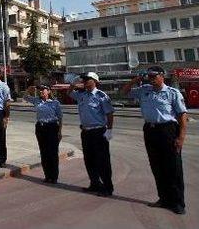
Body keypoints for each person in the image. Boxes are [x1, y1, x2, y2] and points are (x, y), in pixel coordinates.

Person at [122, 66, 188, 215]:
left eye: (154, 76)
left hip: (168, 131)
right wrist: (136, 79)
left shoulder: (172, 93)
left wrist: (181, 138)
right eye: (149, 77)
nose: (151, 79)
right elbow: (124, 91)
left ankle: (178, 202)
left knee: (173, 168)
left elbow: (182, 116)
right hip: (150, 130)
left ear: (162, 76)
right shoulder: (144, 89)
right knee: (156, 166)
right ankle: (163, 199)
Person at [70, 72, 114, 197]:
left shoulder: (101, 96)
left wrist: (109, 130)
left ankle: (107, 187)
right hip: (86, 132)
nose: (84, 82)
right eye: (84, 80)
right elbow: (69, 93)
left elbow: (109, 114)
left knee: (103, 161)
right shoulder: (82, 95)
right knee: (89, 159)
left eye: (87, 79)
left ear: (94, 81)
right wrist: (73, 83)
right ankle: (94, 183)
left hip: (99, 131)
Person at [24, 85, 63, 183]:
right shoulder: (37, 101)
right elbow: (25, 97)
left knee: (53, 153)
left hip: (52, 127)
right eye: (40, 90)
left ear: (48, 91)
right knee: (44, 152)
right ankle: (47, 175)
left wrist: (60, 131)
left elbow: (60, 118)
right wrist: (29, 89)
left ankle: (54, 176)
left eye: (43, 90)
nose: (41, 91)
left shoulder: (55, 103)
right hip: (40, 128)